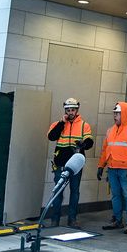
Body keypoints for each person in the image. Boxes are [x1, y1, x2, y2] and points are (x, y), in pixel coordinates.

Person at [97, 101, 127, 234]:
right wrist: (101, 166)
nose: (115, 116)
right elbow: (105, 150)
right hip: (112, 168)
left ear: (125, 114)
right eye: (114, 113)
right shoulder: (110, 130)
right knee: (116, 196)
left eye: (117, 113)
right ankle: (117, 220)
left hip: (126, 170)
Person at [47, 97, 94, 227]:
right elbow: (52, 137)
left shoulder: (84, 125)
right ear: (65, 111)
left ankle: (72, 219)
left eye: (73, 110)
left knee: (75, 191)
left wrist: (83, 144)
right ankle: (54, 220)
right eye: (68, 110)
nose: (70, 112)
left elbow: (90, 142)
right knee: (58, 191)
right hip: (60, 164)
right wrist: (62, 123)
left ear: (77, 110)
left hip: (75, 165)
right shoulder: (58, 124)